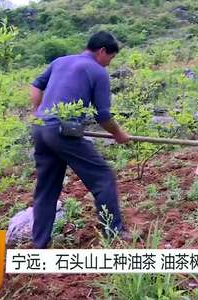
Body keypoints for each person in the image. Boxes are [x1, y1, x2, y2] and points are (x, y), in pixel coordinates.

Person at [29, 31, 130, 249]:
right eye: (110, 58)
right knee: (103, 177)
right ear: (102, 51)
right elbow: (102, 116)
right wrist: (119, 135)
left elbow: (36, 85)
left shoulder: (60, 61)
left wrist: (37, 112)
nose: (109, 64)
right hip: (63, 131)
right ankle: (114, 232)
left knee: (46, 188)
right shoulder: (97, 71)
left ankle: (39, 244)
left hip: (39, 129)